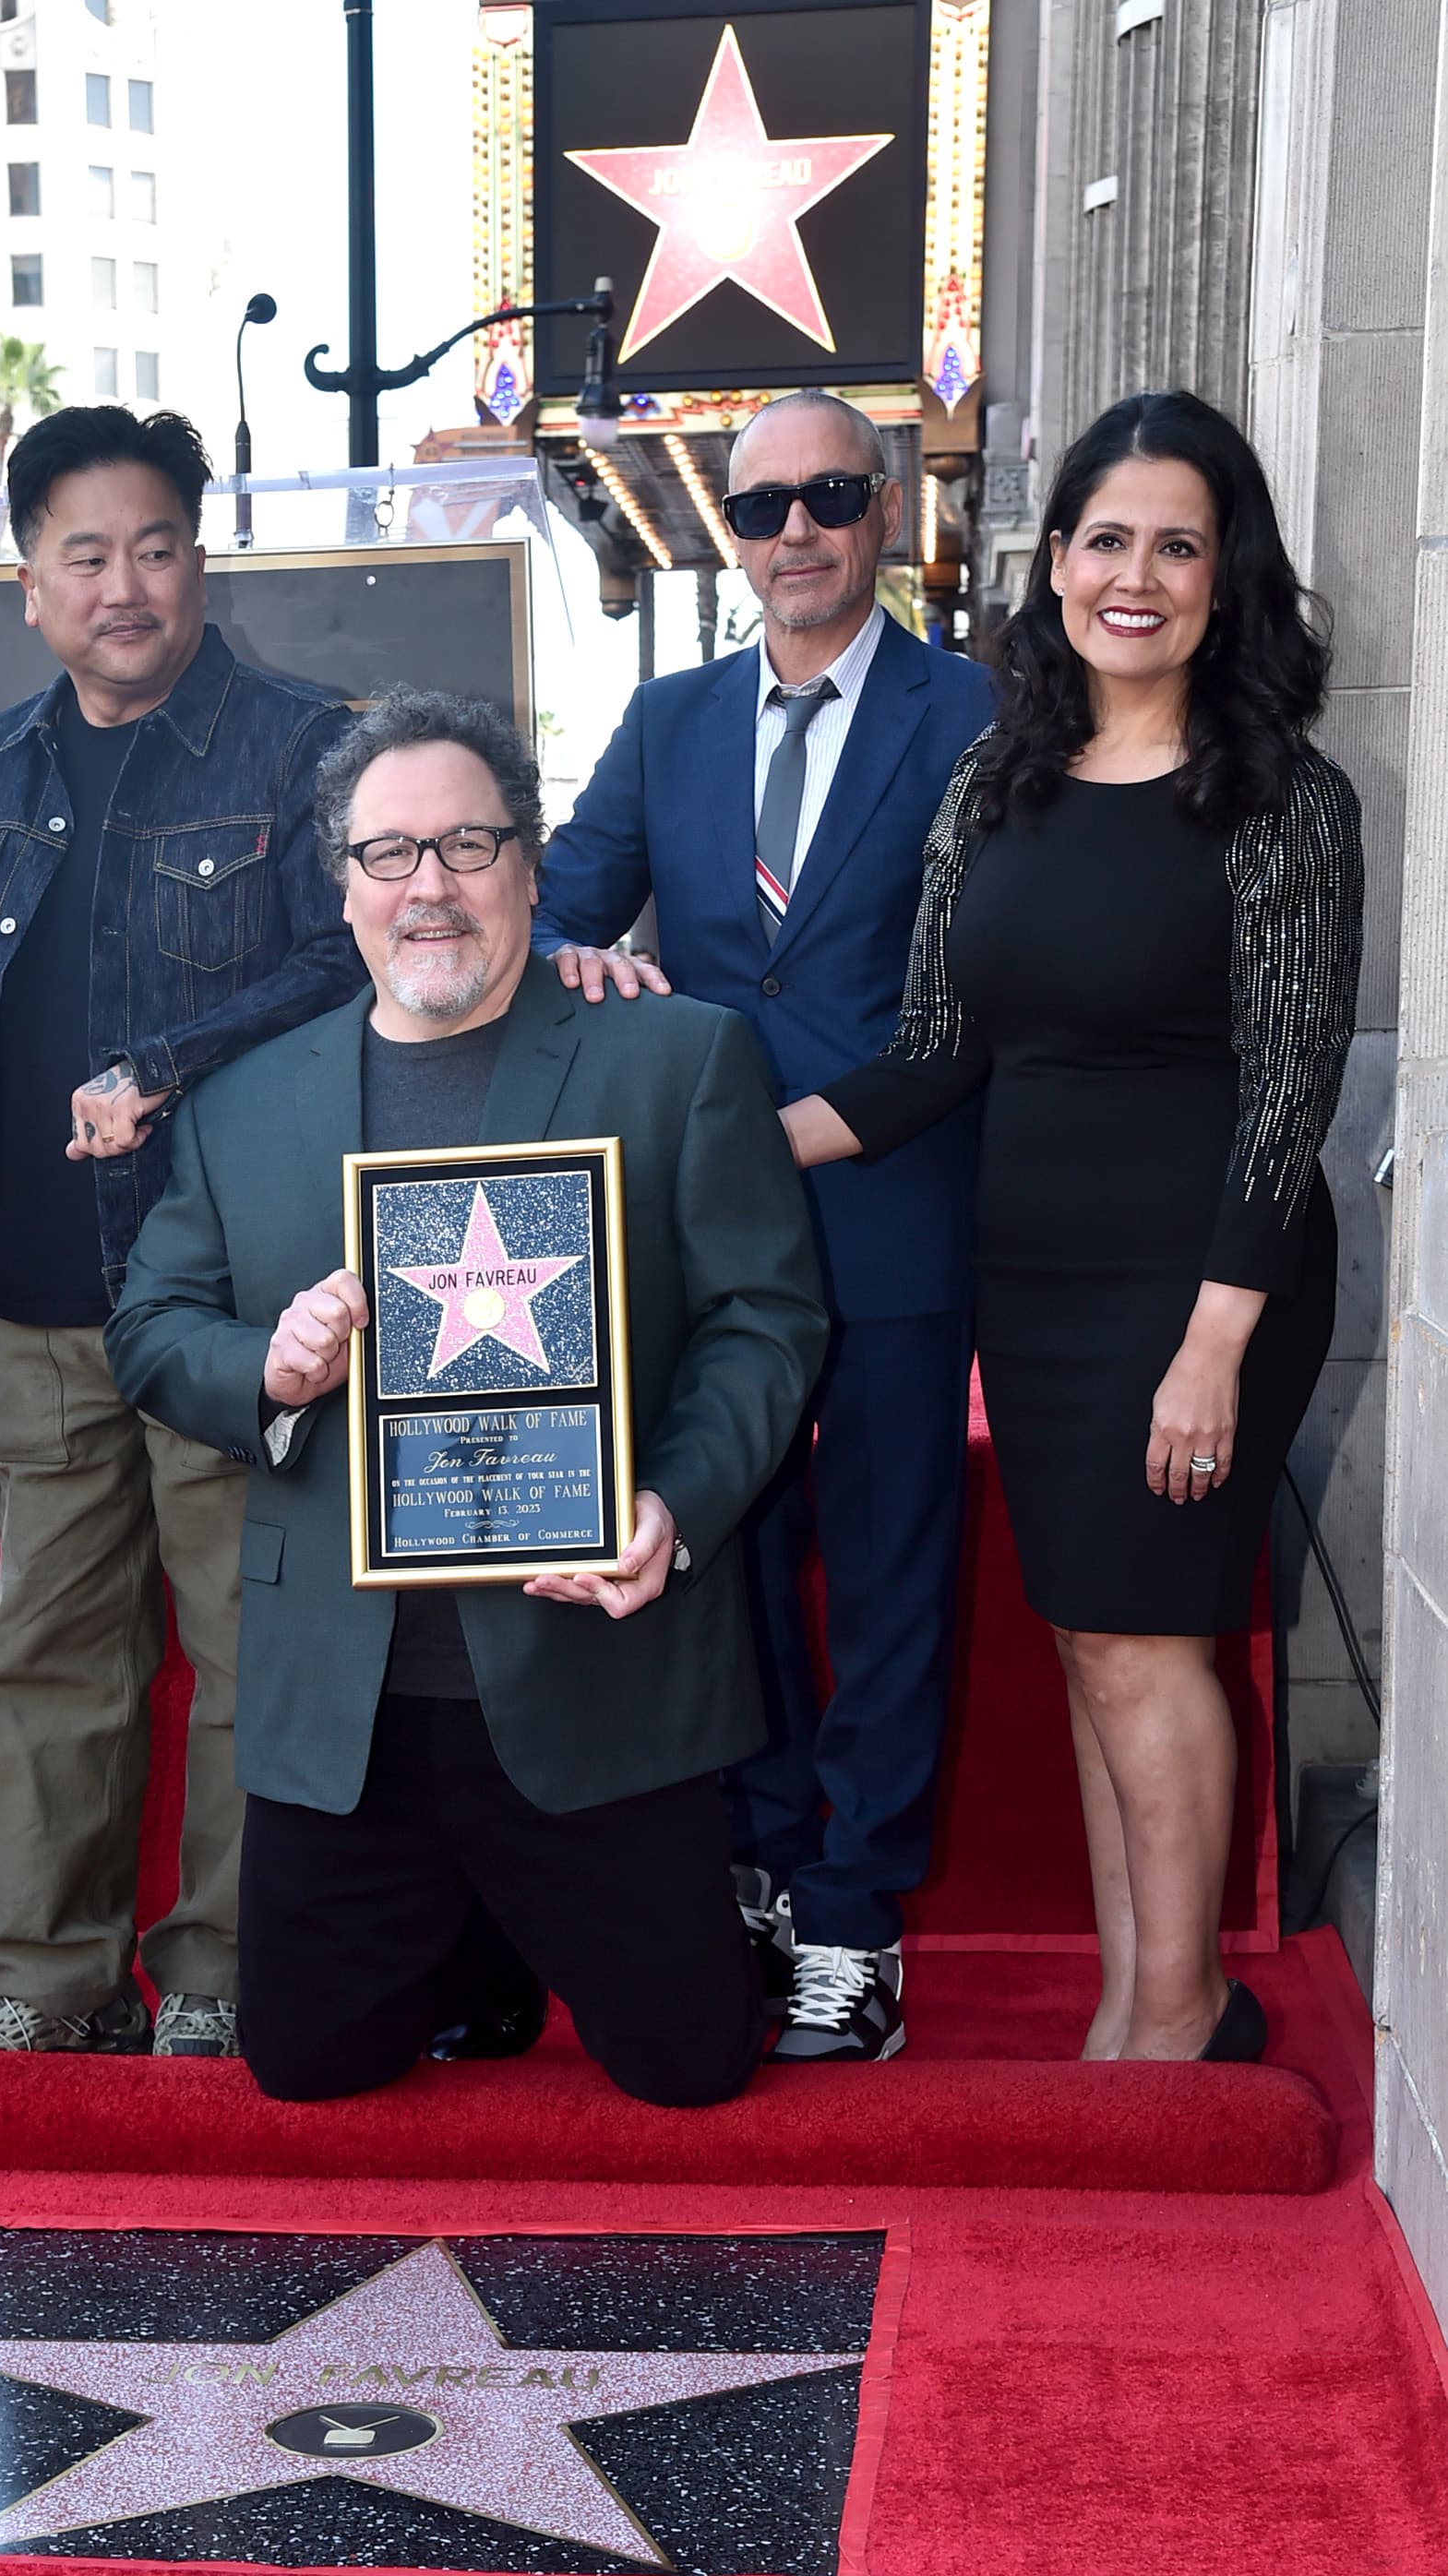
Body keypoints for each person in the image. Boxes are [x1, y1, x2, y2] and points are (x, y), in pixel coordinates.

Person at [106, 691, 826, 2105]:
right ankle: (476, 1939)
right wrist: (267, 1365)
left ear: (530, 862)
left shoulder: (678, 1060)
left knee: (690, 2070)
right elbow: (149, 1327)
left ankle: (588, 1916)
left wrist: (670, 1508)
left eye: (467, 844)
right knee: (304, 2067)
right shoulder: (242, 1104)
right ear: (340, 881)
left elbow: (767, 1322)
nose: (428, 886)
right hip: (355, 1698)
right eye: (388, 853)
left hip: (593, 1673)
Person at [779, 389, 1362, 2064]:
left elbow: (1286, 1086)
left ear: (1223, 576)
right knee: (1100, 1639)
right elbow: (933, 1053)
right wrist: (739, 1149)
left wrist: (1210, 1346)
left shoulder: (1281, 800)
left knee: (1139, 1634)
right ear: (1052, 565)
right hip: (1030, 1275)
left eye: (1177, 544)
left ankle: (1171, 2027)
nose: (1136, 574)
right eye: (1106, 538)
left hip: (1204, 1280)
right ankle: (1140, 2000)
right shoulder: (997, 778)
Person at [533, 393, 994, 2064]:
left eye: (827, 498)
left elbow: (980, 993)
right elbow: (563, 912)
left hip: (889, 1211)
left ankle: (858, 1917)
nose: (792, 532)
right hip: (706, 1249)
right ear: (724, 532)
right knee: (722, 1564)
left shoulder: (974, 715)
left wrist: (780, 1131)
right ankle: (766, 1861)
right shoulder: (664, 723)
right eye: (759, 508)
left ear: (882, 514)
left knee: (880, 1581)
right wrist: (580, 961)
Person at [0, 405, 361, 2066]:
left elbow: (342, 971)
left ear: (199, 554)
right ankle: (48, 1979)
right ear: (28, 583)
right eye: (83, 556)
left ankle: (227, 1974)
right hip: (30, 1291)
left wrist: (165, 1067)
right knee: (45, 1650)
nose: (124, 584)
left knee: (248, 1640)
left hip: (230, 1288)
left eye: (154, 547)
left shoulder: (305, 746)